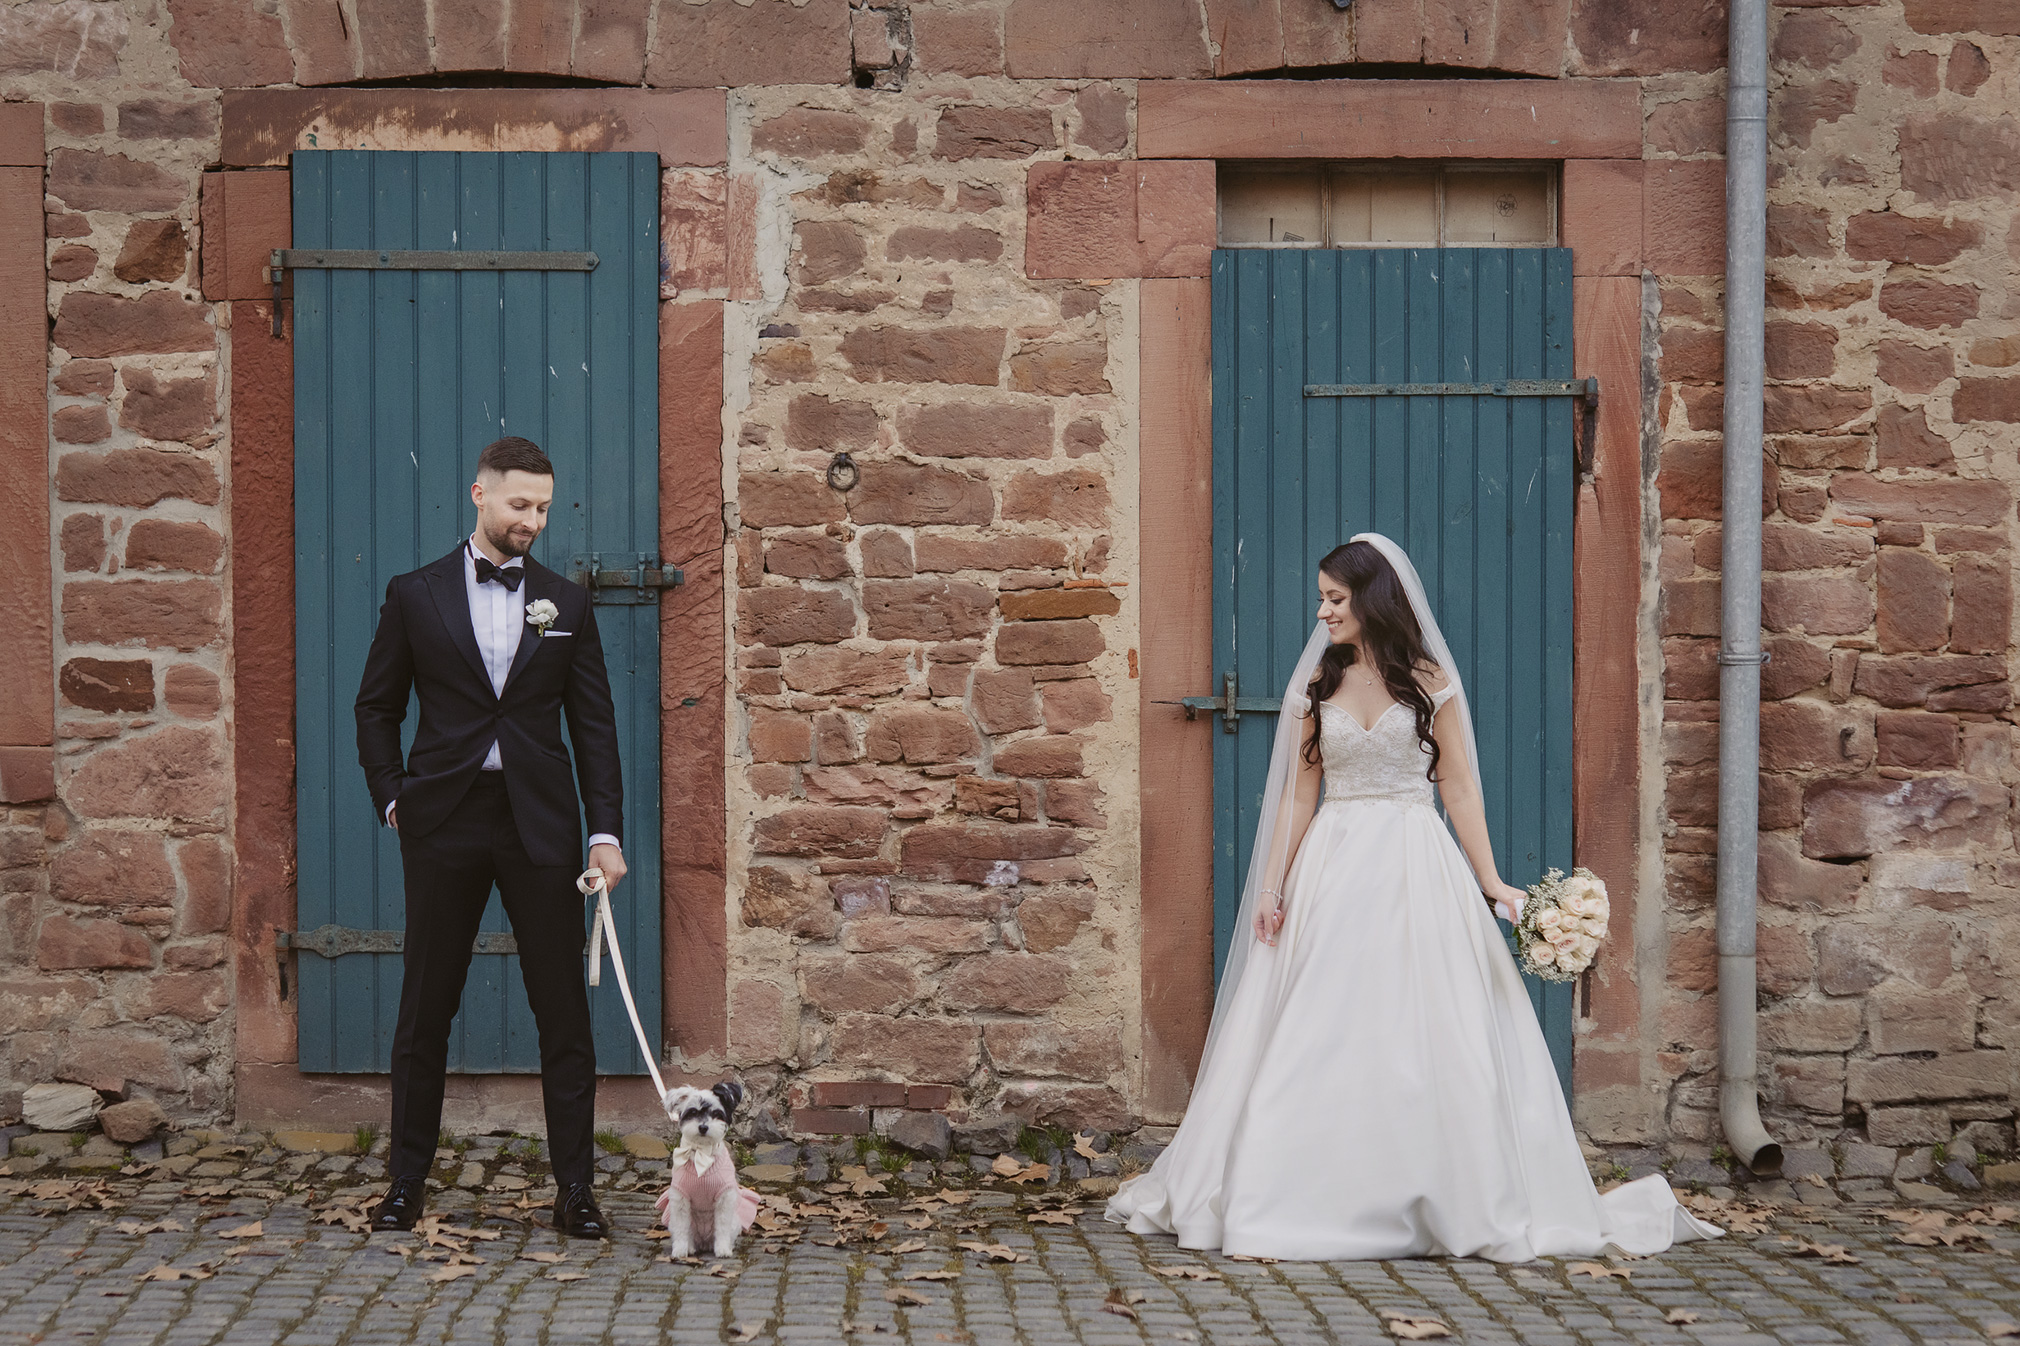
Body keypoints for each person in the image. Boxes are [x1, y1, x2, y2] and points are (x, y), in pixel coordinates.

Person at [1106, 534, 1724, 1261]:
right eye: (1322, 597)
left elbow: (1457, 784)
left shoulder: (1431, 682)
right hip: (1333, 863)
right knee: (1318, 1020)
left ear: (1372, 599)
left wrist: (1491, 880)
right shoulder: (1318, 687)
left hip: (1413, 859)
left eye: (1335, 599)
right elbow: (1299, 799)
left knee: (1429, 1022)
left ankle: (1442, 1191)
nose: (1322, 611)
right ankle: (1297, 1192)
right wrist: (1273, 885)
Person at [354, 436, 626, 1239]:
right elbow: (376, 706)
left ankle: (575, 1190)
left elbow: (596, 729)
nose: (531, 521)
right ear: (478, 494)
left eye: (542, 508)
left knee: (562, 1015)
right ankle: (406, 1183)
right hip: (442, 819)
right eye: (518, 505)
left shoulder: (566, 604)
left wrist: (604, 833)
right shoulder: (415, 594)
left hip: (541, 821)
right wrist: (392, 797)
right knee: (425, 1009)